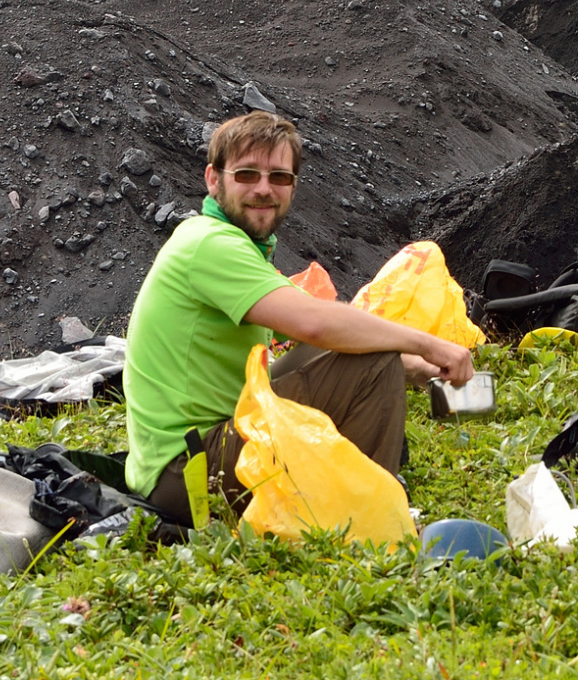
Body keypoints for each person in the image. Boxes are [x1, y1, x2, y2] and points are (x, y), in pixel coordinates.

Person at [121, 111, 476, 526]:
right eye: (247, 174)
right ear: (214, 180)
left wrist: (412, 368)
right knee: (372, 357)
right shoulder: (209, 244)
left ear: (293, 186)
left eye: (279, 177)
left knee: (355, 352)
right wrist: (426, 343)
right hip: (189, 475)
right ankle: (368, 520)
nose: (264, 189)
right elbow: (314, 322)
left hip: (190, 458)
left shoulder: (230, 243)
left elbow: (313, 342)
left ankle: (348, 501)